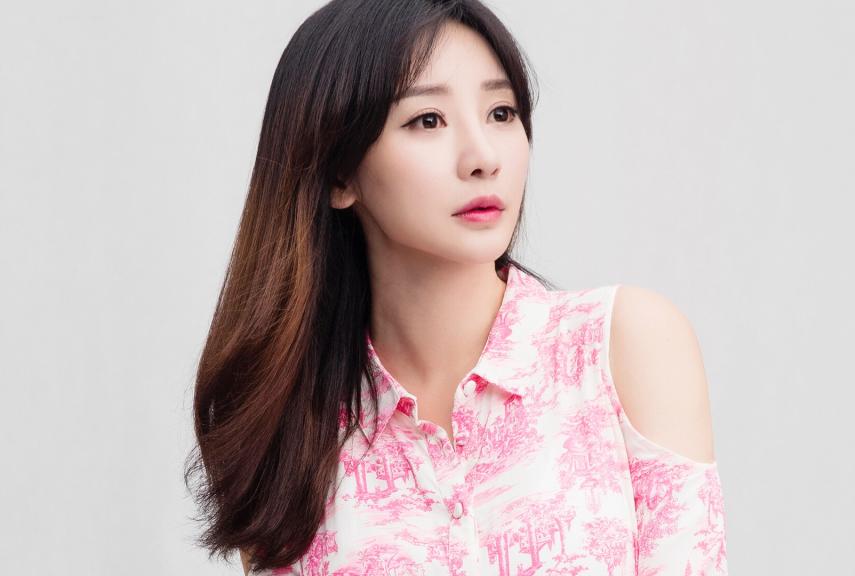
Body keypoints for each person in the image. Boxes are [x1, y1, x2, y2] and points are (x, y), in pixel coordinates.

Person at [185, 1, 728, 574]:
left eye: (501, 112)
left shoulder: (621, 348)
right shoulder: (288, 429)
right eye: (428, 120)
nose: (483, 158)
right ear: (340, 174)